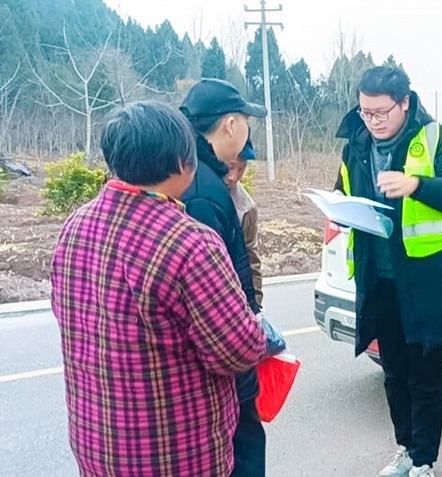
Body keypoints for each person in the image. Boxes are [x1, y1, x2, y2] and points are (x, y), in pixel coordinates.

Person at [50, 101, 275, 476]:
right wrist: (262, 333)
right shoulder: (188, 242)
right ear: (183, 161)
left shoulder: (76, 227)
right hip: (172, 451)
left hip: (97, 442)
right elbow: (237, 350)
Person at [335, 65, 442, 477]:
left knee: (426, 377)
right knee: (394, 373)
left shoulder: (435, 139)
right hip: (378, 281)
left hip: (425, 284)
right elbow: (346, 191)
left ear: (405, 103)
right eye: (365, 112)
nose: (373, 121)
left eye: (381, 112)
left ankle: (424, 459)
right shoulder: (356, 144)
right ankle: (405, 449)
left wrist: (416, 184)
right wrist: (340, 208)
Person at [179, 78, 269, 477]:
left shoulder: (202, 177)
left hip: (228, 349)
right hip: (225, 363)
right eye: (247, 121)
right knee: (242, 451)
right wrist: (249, 337)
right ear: (231, 125)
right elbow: (209, 295)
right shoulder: (201, 191)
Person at [221, 134, 263, 305]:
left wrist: (256, 305)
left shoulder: (246, 207)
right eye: (230, 167)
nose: (234, 176)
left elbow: (252, 259)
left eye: (241, 168)